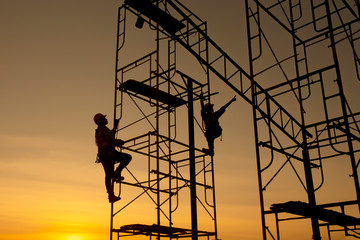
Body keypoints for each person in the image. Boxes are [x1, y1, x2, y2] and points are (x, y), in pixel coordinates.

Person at [94, 113, 132, 203]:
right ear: (101, 121)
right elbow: (111, 140)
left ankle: (111, 195)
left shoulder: (99, 130)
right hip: (108, 153)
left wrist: (115, 126)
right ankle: (117, 173)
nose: (106, 119)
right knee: (127, 157)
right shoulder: (103, 129)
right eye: (104, 118)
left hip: (103, 155)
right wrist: (119, 141)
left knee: (108, 175)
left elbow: (111, 134)